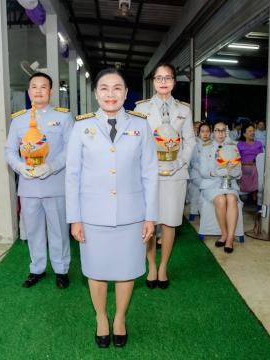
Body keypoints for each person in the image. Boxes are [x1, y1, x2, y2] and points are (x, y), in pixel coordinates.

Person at [66, 68, 158, 348]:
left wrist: (151, 216)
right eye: (104, 88)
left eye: (117, 88)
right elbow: (72, 175)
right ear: (95, 93)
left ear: (126, 94)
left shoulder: (140, 125)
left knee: (127, 269)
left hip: (132, 215)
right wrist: (75, 218)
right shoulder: (81, 126)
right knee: (96, 269)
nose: (110, 94)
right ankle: (101, 318)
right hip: (92, 216)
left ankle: (119, 318)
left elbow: (150, 172)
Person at [5, 72, 73, 289]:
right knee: (33, 230)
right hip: (29, 186)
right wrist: (19, 167)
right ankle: (37, 268)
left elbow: (71, 150)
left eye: (43, 87)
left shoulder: (64, 117)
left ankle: (61, 269)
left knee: (59, 231)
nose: (38, 91)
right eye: (34, 87)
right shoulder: (18, 120)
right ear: (28, 91)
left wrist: (51, 167)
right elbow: (10, 151)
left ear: (51, 92)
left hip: (55, 184)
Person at [134, 63, 196, 289]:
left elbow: (190, 140)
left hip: (175, 173)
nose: (163, 81)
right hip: (149, 174)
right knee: (150, 221)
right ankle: (151, 265)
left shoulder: (184, 110)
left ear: (173, 82)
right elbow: (137, 141)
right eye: (159, 78)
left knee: (170, 222)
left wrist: (179, 162)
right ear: (153, 82)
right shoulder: (141, 108)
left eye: (167, 77)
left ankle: (163, 267)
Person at [199, 121, 241, 253]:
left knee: (232, 199)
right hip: (212, 184)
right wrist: (216, 173)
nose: (220, 133)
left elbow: (239, 173)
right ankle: (223, 233)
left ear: (226, 132)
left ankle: (229, 238)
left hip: (230, 183)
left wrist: (233, 172)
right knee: (221, 200)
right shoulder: (206, 148)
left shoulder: (234, 148)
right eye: (218, 130)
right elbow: (203, 171)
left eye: (223, 130)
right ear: (213, 132)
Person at [187, 123, 212, 216]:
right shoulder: (195, 145)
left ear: (210, 132)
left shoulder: (213, 145)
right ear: (199, 133)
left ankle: (201, 212)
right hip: (196, 174)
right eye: (202, 131)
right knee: (203, 187)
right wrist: (205, 171)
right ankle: (200, 212)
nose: (205, 134)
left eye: (207, 131)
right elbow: (193, 162)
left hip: (209, 174)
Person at [237, 124, 263, 198]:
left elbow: (261, 158)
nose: (253, 133)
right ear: (244, 134)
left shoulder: (259, 144)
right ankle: (251, 192)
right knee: (248, 169)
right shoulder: (240, 144)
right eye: (250, 131)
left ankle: (255, 193)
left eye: (253, 131)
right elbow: (237, 158)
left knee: (255, 169)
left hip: (256, 167)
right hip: (244, 167)